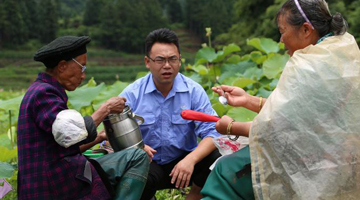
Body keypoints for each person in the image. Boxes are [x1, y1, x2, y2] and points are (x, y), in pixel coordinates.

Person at [201, 0, 360, 199]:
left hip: (318, 159)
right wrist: (248, 100)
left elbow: (280, 130)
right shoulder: (339, 50)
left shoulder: (307, 65)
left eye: (283, 31)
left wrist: (232, 127)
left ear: (305, 29)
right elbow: (297, 114)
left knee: (225, 170)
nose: (281, 39)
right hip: (341, 155)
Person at [17, 36, 149, 200]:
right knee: (137, 157)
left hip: (52, 177)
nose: (83, 75)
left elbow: (63, 146)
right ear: (63, 66)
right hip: (53, 184)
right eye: (82, 68)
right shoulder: (44, 94)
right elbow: (70, 133)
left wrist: (99, 137)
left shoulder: (43, 90)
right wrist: (106, 108)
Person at [119, 28, 222, 200]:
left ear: (180, 61)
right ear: (147, 62)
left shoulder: (193, 91)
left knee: (217, 154)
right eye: (160, 60)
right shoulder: (132, 94)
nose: (167, 66)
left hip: (185, 162)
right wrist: (137, 148)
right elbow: (115, 135)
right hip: (149, 164)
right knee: (132, 166)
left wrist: (190, 160)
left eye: (172, 59)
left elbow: (213, 130)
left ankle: (195, 195)